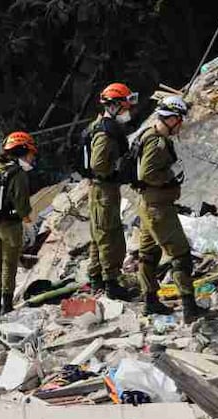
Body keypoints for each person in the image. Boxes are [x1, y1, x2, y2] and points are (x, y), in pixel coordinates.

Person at [135, 95, 208, 323]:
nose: (181, 125)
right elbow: (146, 173)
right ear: (173, 118)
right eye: (180, 120)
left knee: (148, 254)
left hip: (147, 205)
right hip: (158, 208)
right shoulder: (157, 142)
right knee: (181, 255)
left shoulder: (147, 135)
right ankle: (189, 308)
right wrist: (170, 176)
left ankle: (150, 301)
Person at [85, 82, 138, 300]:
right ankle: (111, 283)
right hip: (104, 190)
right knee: (109, 235)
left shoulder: (102, 126)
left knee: (99, 235)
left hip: (103, 189)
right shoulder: (105, 132)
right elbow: (99, 165)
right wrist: (119, 168)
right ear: (114, 106)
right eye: (125, 106)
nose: (128, 111)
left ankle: (97, 279)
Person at [0, 131, 36, 317]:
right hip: (9, 227)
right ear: (22, 150)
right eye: (30, 153)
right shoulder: (18, 174)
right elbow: (22, 205)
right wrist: (28, 225)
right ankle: (6, 306)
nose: (32, 157)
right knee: (8, 266)